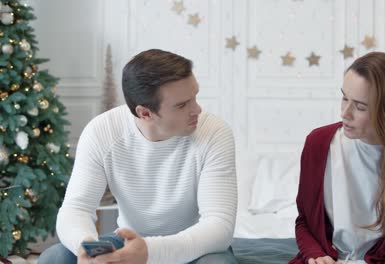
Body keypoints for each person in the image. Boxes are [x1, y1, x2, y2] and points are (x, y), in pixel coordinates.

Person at [39, 49, 238, 264]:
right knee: (55, 258)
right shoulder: (102, 132)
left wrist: (149, 251)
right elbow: (76, 209)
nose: (197, 109)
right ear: (145, 113)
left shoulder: (215, 133)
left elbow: (220, 226)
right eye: (182, 105)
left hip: (193, 249)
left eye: (194, 97)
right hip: (128, 244)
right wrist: (86, 248)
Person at [290, 52, 385, 264]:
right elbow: (305, 222)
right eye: (344, 97)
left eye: (360, 106)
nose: (345, 113)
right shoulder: (317, 144)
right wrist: (315, 256)